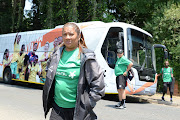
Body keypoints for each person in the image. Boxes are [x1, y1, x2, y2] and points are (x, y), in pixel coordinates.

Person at [43, 22, 105, 120]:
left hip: (78, 111)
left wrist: (87, 104)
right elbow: (48, 71)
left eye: (71, 34)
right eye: (65, 34)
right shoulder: (56, 53)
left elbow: (98, 84)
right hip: (57, 109)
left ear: (78, 35)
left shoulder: (86, 56)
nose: (67, 37)